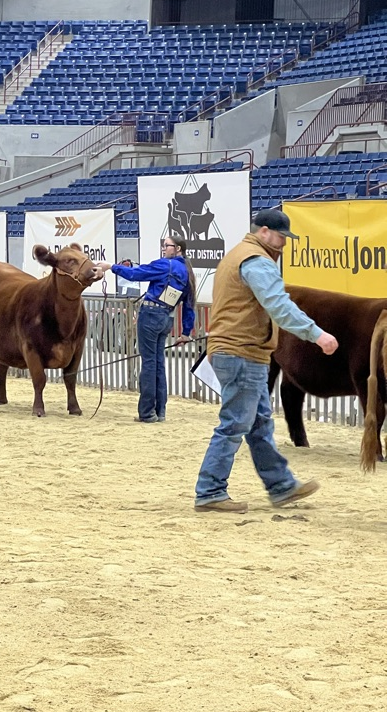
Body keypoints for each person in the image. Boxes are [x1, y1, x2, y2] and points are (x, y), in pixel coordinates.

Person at [194, 208, 339, 515]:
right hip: (241, 352)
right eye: (281, 236)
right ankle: (210, 490)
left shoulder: (239, 254)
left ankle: (281, 486)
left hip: (240, 351)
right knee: (235, 423)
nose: (284, 243)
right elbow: (278, 304)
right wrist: (316, 334)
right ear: (264, 232)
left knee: (258, 423)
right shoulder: (257, 261)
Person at [98, 235, 196, 422]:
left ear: (178, 249)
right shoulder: (187, 272)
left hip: (150, 315)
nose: (163, 248)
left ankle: (147, 412)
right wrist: (185, 333)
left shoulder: (165, 265)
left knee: (149, 363)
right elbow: (189, 305)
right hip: (166, 318)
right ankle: (160, 411)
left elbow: (136, 274)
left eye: (167, 245)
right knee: (158, 363)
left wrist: (111, 266)